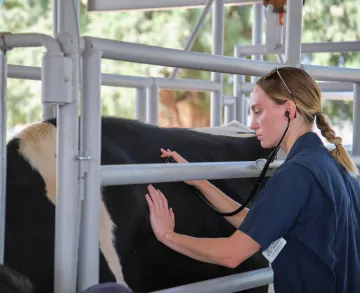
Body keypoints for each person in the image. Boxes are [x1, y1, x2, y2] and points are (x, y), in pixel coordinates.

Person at [144, 66, 360, 293]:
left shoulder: (296, 174)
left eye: (258, 111)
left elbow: (231, 254)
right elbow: (259, 224)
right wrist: (199, 181)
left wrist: (168, 236)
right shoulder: (337, 167)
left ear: (289, 110)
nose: (252, 124)